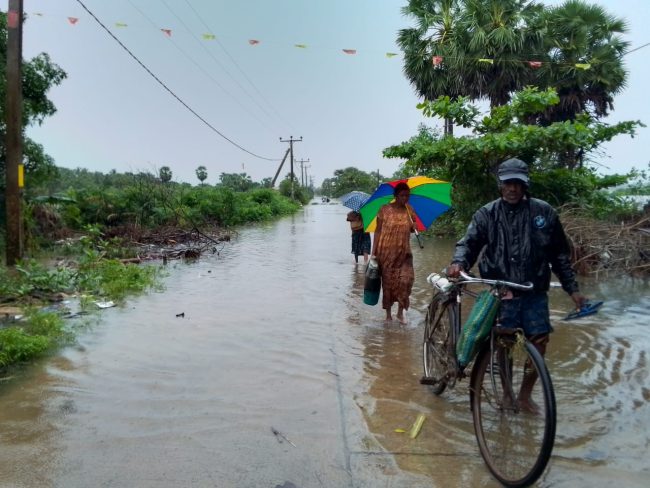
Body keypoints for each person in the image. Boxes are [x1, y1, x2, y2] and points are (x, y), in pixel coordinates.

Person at [446, 157, 587, 413]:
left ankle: (525, 396)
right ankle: (507, 393)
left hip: (534, 290)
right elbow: (468, 243)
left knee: (540, 342)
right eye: (508, 183)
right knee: (504, 342)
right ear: (500, 185)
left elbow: (559, 256)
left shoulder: (543, 213)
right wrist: (459, 263)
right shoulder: (487, 214)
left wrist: (573, 290)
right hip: (502, 290)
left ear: (525, 186)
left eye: (518, 184)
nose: (512, 189)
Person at [371, 182, 417, 323]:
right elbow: (378, 231)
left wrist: (414, 227)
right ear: (396, 195)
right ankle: (388, 315)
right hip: (386, 253)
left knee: (406, 281)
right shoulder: (384, 209)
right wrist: (374, 252)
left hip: (404, 253)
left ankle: (400, 313)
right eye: (402, 195)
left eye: (407, 196)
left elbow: (411, 230)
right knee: (388, 284)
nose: (405, 198)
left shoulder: (409, 210)